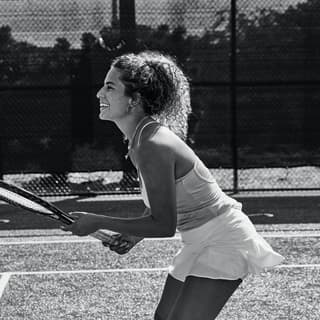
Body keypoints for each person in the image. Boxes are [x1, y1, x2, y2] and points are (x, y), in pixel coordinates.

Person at [62, 50, 284, 320]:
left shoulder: (152, 145)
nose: (99, 94)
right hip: (198, 239)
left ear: (134, 100)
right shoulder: (141, 140)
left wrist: (96, 221)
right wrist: (134, 234)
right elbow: (161, 207)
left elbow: (164, 225)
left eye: (110, 87)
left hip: (225, 239)